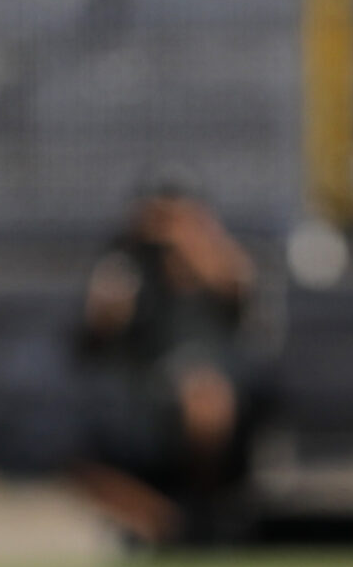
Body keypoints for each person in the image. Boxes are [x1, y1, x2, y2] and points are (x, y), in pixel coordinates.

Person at [71, 175, 265, 545]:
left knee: (206, 398)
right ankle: (171, 525)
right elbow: (86, 349)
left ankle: (204, 511)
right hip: (146, 406)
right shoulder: (126, 267)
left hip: (221, 407)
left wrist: (192, 240)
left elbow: (240, 291)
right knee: (75, 464)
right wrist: (107, 314)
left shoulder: (218, 258)